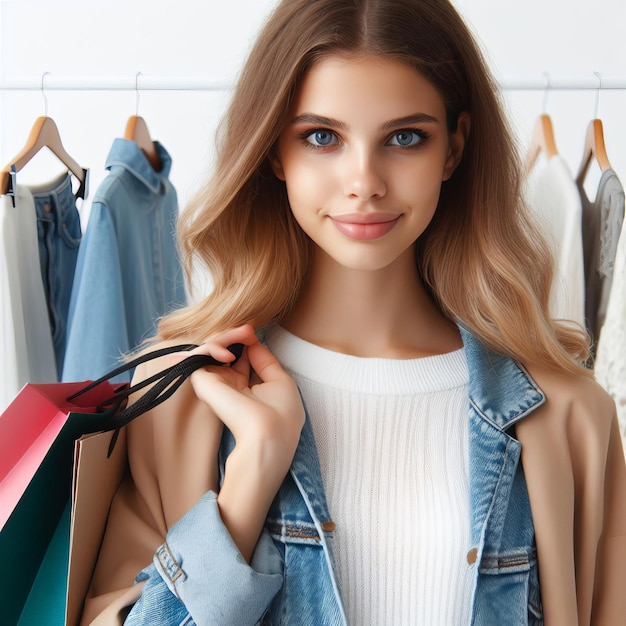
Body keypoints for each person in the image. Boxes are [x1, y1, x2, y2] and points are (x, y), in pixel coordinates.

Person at [81, 0, 626, 624]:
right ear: (273, 152)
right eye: (322, 137)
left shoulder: (569, 415)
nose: (363, 180)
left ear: (453, 148)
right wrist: (250, 477)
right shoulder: (178, 400)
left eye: (404, 137)